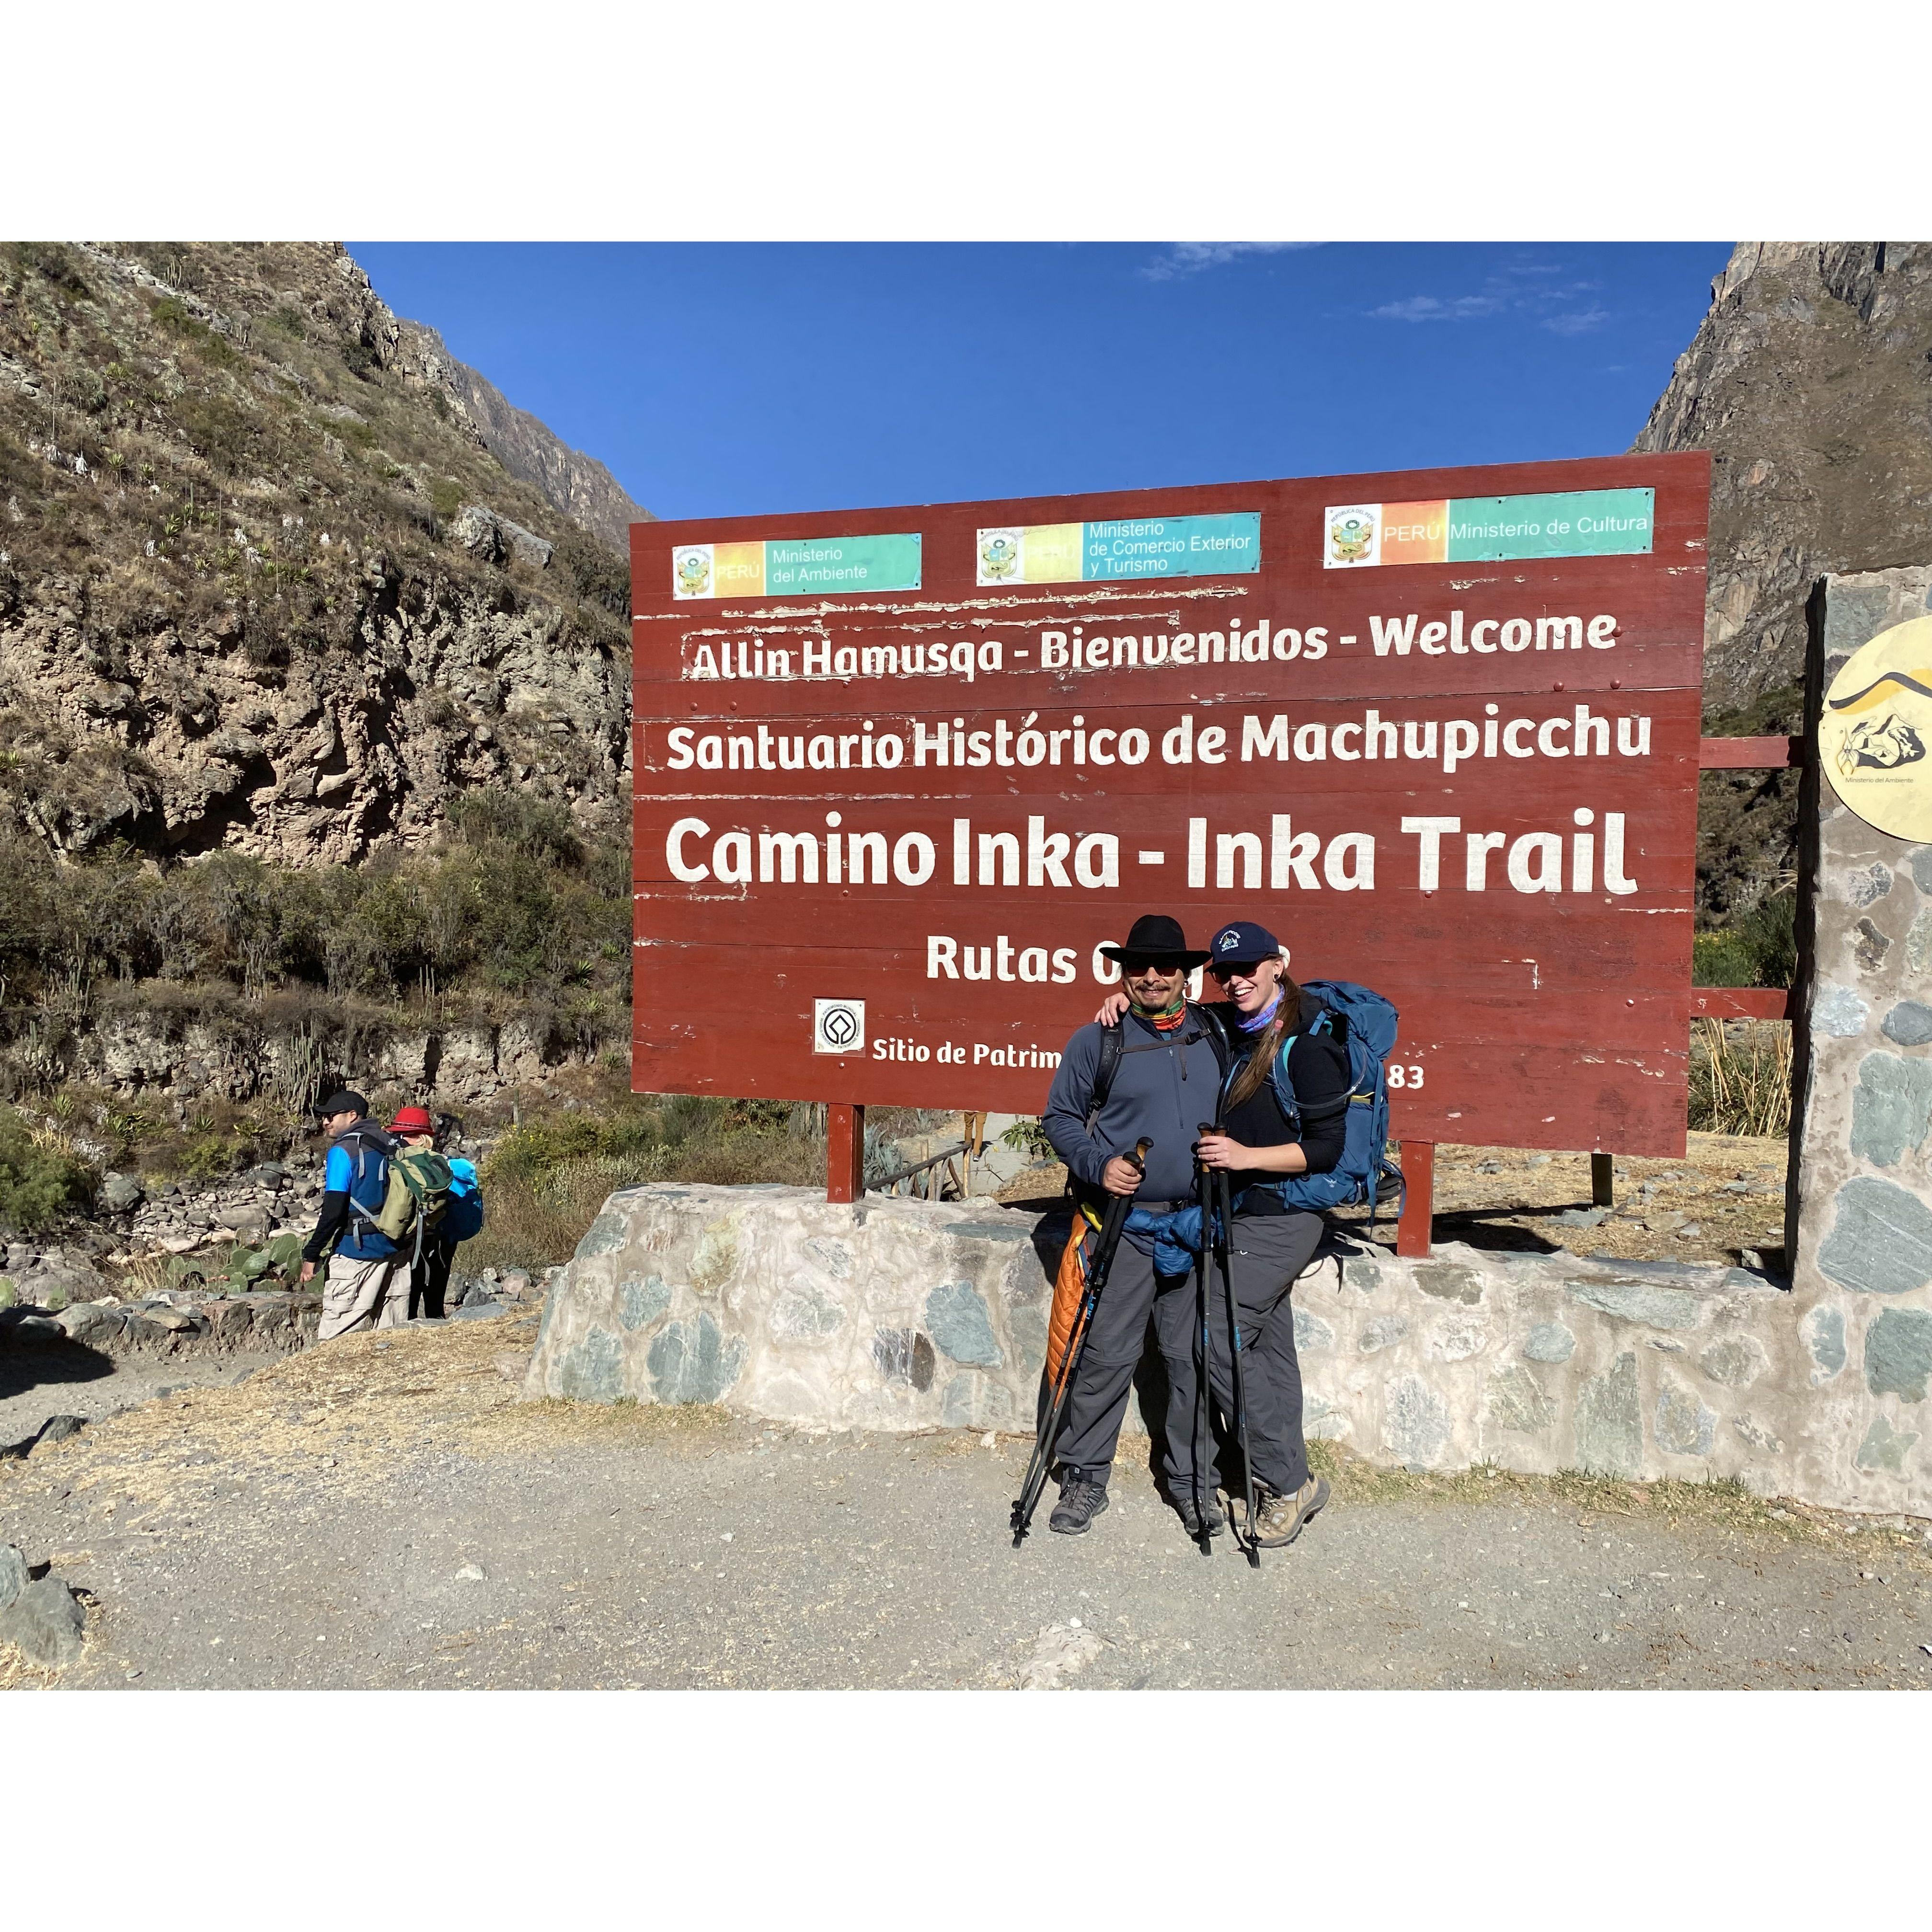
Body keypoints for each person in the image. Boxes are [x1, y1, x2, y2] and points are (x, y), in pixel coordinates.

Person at [1038, 914, 1228, 1537]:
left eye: (1164, 966)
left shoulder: (1217, 1035)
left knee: (1188, 1360)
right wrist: (1100, 1164)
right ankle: (1085, 1479)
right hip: (1121, 1227)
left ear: (1187, 974)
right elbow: (1062, 1118)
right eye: (1138, 967)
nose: (1151, 976)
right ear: (1123, 973)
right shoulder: (1098, 1041)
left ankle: (1193, 1481)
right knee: (1104, 1358)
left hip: (1194, 1227)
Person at [1173, 919, 1345, 1548]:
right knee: (1268, 1347)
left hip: (1284, 1215)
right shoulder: (1236, 1031)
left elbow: (1327, 1149)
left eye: (1249, 967)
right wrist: (1119, 1001)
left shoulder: (1309, 1043)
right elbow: (1168, 1014)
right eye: (1227, 972)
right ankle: (1288, 1474)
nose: (1237, 979)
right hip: (1243, 1217)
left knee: (1218, 1335)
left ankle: (1283, 1479)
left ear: (1280, 964)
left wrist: (1245, 1157)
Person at [298, 1089, 412, 1340]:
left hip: (356, 1252)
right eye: (323, 1116)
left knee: (336, 1339)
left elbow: (333, 1212)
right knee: (390, 1339)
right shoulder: (393, 1142)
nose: (325, 1122)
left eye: (331, 1115)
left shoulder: (344, 1151)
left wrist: (311, 1254)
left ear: (352, 1116)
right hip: (398, 1249)